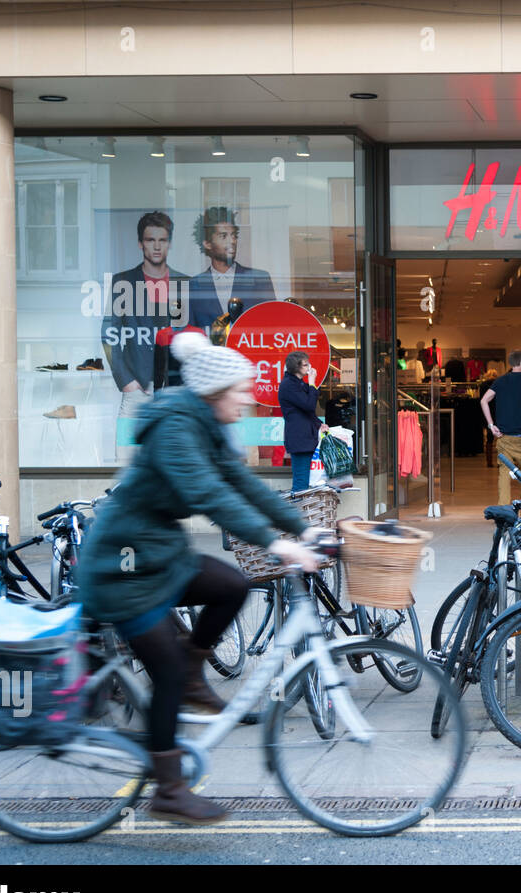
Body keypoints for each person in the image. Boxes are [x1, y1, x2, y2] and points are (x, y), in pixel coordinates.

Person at [77, 332, 323, 824]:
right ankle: (168, 788)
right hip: (123, 568)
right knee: (163, 671)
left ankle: (193, 672)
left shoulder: (205, 424)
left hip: (159, 553)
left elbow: (242, 483)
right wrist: (274, 543)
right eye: (241, 390)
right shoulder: (174, 428)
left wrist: (302, 526)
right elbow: (208, 492)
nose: (250, 397)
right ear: (215, 392)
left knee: (232, 584)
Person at [101, 212, 190, 459]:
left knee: (173, 462)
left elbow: (191, 336)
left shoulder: (183, 282)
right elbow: (109, 335)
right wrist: (127, 381)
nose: (157, 246)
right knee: (126, 463)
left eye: (162, 240)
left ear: (170, 243)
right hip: (136, 389)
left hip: (173, 390)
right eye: (151, 240)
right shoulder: (124, 281)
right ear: (141, 243)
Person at [188, 207, 277, 334]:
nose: (232, 241)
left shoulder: (260, 279)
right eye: (223, 236)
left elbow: (272, 327)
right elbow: (189, 335)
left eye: (233, 235)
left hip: (248, 352)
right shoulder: (193, 285)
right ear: (207, 243)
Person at [481, 350, 521, 505]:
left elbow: (484, 401)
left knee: (504, 474)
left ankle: (504, 510)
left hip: (504, 437)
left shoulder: (500, 381)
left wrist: (491, 425)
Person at [279, 350, 323, 492]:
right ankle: (297, 513)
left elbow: (308, 411)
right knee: (301, 482)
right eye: (305, 364)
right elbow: (309, 405)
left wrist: (319, 425)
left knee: (307, 482)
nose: (309, 367)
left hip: (306, 438)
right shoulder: (289, 385)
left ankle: (302, 512)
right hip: (300, 439)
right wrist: (312, 383)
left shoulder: (298, 383)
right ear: (296, 367)